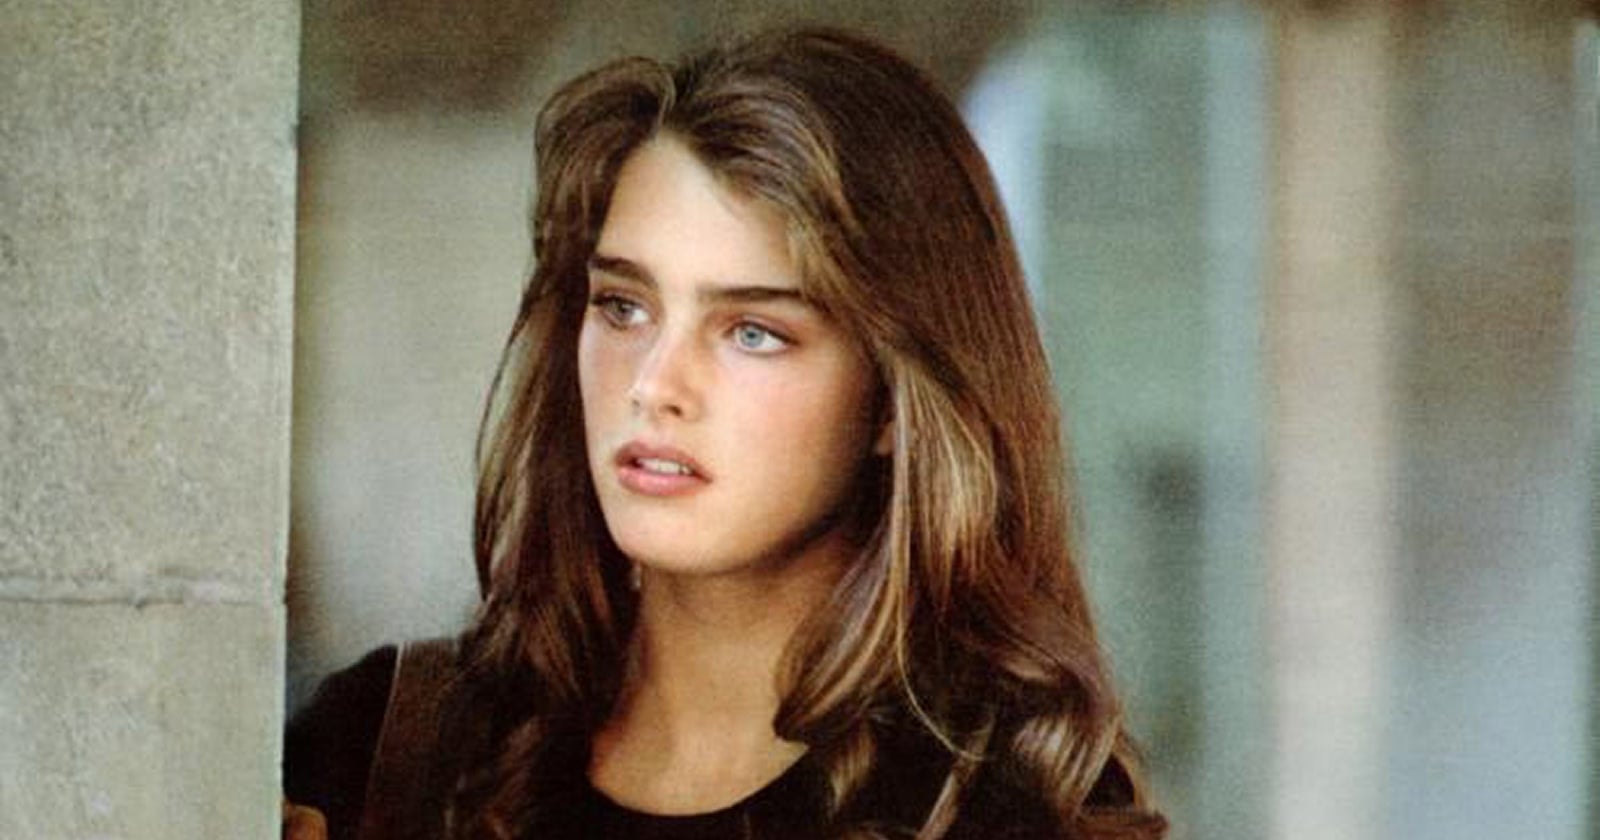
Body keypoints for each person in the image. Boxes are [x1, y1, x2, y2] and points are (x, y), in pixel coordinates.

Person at [285, 27, 1166, 840]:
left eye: (752, 331)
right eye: (623, 306)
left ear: (895, 404)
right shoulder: (379, 751)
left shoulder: (1002, 811)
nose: (653, 384)